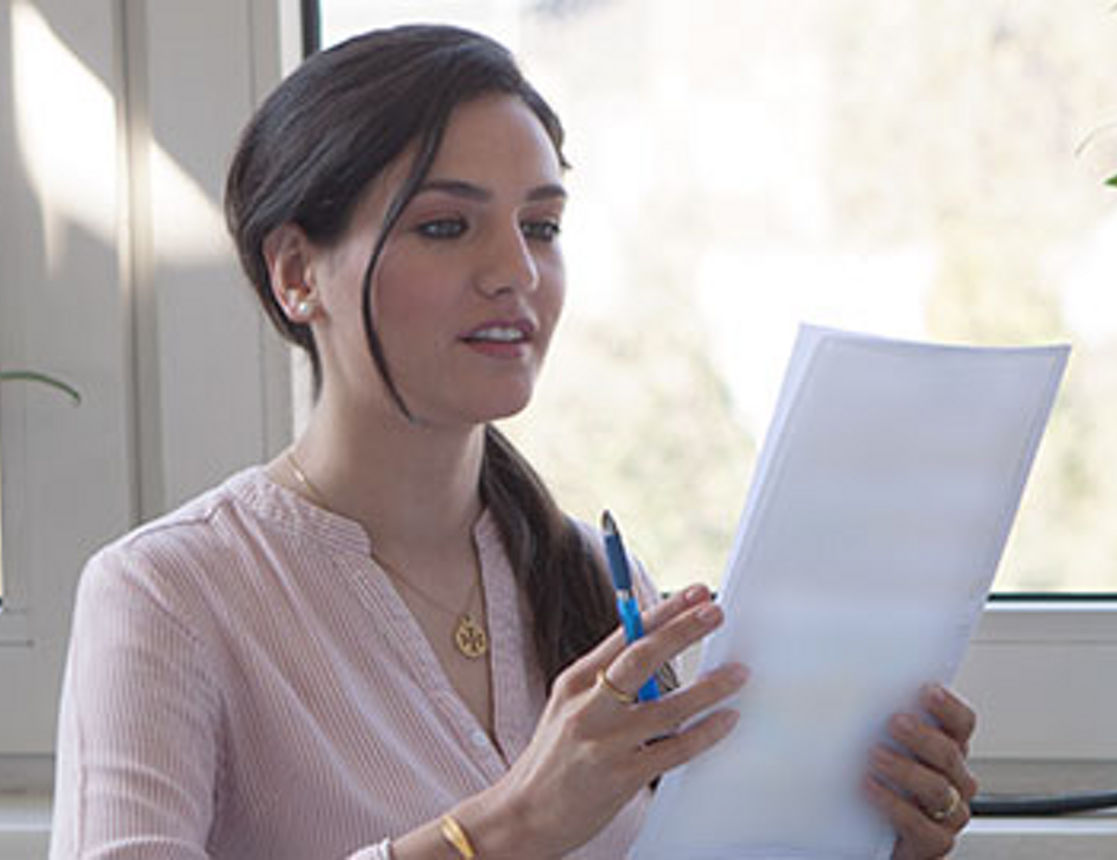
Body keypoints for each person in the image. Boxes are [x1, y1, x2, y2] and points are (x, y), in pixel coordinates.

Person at [49, 24, 978, 860]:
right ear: (298, 273)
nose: (516, 271)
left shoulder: (601, 582)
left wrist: (872, 842)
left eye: (542, 226)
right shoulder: (167, 596)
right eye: (445, 226)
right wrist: (507, 829)